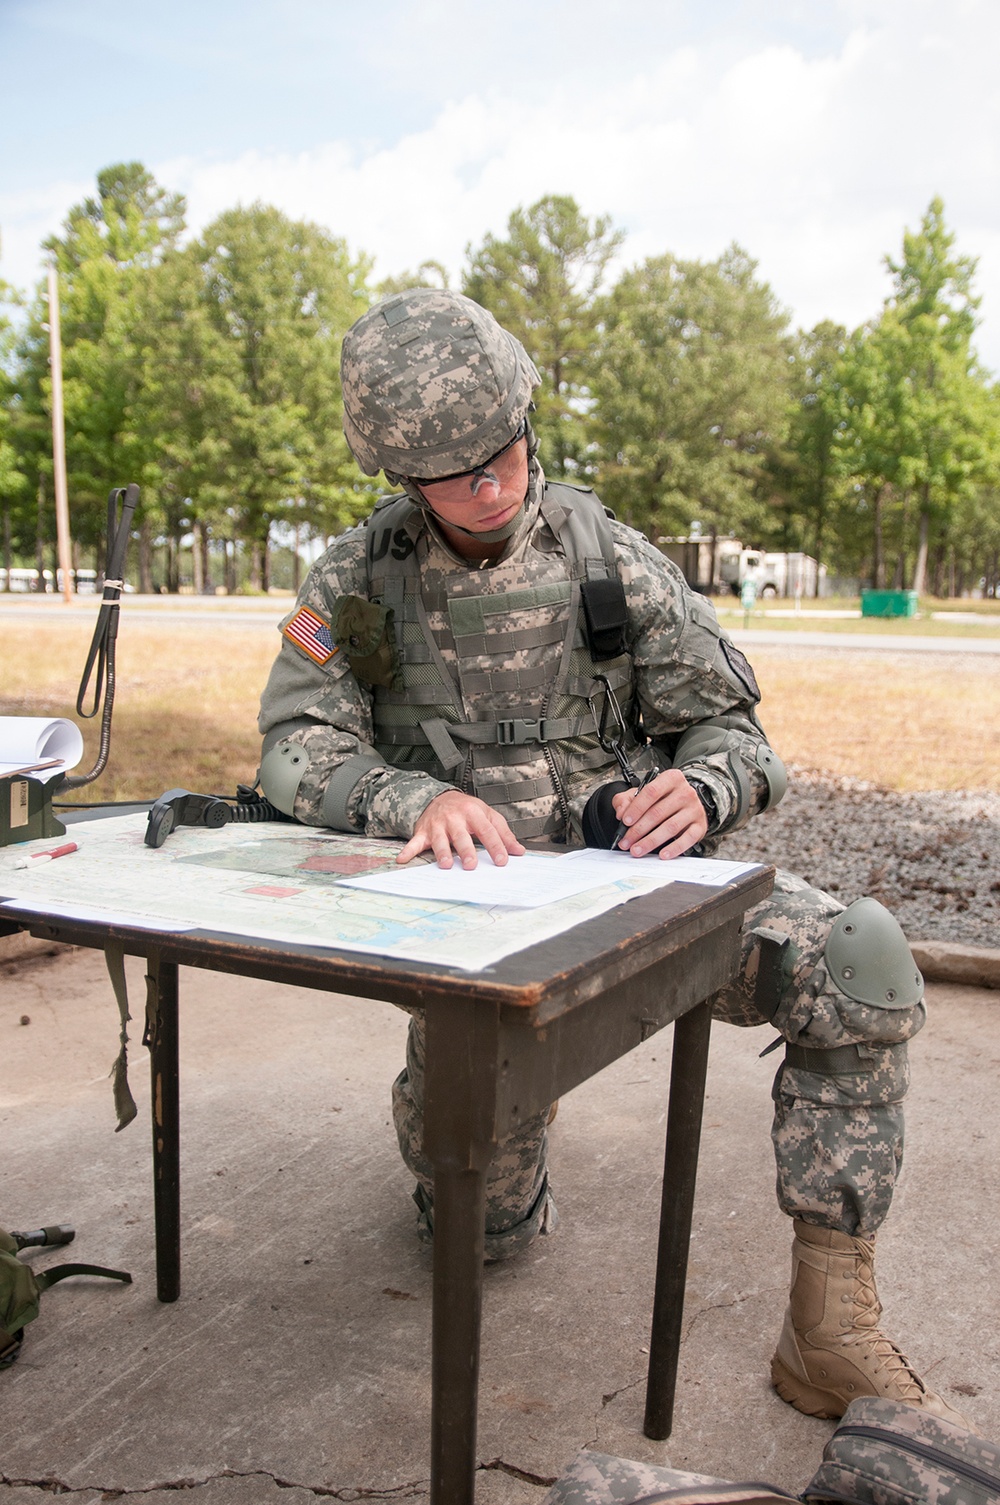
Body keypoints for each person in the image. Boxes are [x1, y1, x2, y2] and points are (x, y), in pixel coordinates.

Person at [258, 288, 965, 1426]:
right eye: (452, 473)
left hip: (634, 895)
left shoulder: (609, 557)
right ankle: (481, 1151)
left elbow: (737, 733)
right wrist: (410, 798)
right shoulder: (352, 579)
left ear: (526, 418)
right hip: (477, 926)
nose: (488, 485)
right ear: (396, 473)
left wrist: (706, 785)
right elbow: (292, 748)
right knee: (478, 1234)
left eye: (502, 452)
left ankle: (827, 1327)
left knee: (858, 961)